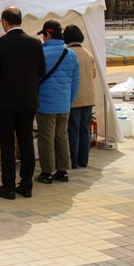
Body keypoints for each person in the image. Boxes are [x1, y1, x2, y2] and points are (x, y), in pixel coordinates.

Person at [0, 7, 46, 200]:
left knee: (7, 145)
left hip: (4, 102)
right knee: (26, 142)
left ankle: (8, 186)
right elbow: (41, 71)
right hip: (28, 101)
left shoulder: (0, 44)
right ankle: (26, 185)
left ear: (4, 22)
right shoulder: (35, 43)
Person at [35, 19, 80, 185]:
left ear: (48, 34)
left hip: (46, 104)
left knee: (46, 138)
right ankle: (63, 171)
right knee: (62, 136)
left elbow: (35, 78)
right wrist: (69, 102)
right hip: (64, 105)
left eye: (44, 35)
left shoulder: (41, 53)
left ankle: (47, 172)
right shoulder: (71, 54)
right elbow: (76, 82)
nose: (43, 39)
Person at [64, 24, 97, 169]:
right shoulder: (88, 53)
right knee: (84, 130)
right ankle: (84, 159)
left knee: (73, 130)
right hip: (89, 97)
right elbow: (94, 74)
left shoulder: (68, 53)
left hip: (74, 98)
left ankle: (74, 160)